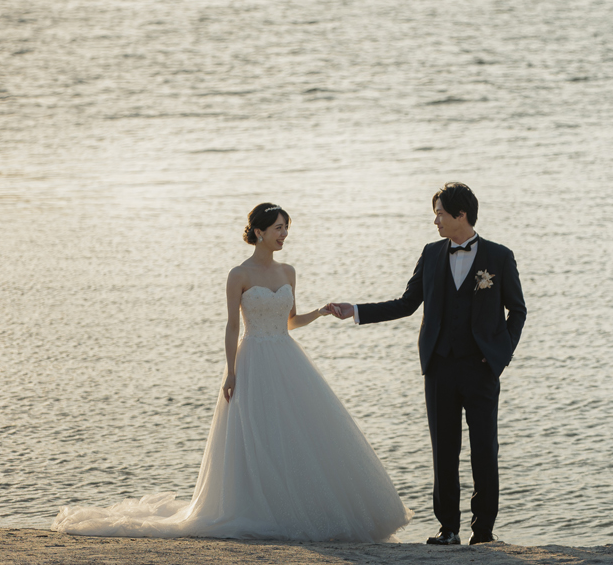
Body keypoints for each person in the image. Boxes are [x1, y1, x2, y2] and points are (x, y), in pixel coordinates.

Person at [54, 204, 411, 542]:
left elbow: (290, 321)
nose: (284, 234)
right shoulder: (238, 274)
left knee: (296, 435)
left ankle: (296, 508)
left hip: (287, 358)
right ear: (258, 231)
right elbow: (230, 327)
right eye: (278, 228)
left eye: (286, 228)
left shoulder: (288, 272)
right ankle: (260, 507)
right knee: (256, 434)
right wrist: (230, 372)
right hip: (252, 356)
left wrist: (318, 313)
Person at [325, 182, 526, 547]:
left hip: (481, 371)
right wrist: (355, 311)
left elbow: (518, 310)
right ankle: (447, 529)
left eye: (440, 213)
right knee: (443, 450)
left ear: (460, 215)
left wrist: (499, 354)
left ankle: (483, 533)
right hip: (439, 368)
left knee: (485, 450)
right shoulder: (432, 254)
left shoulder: (499, 257)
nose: (435, 220)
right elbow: (406, 303)